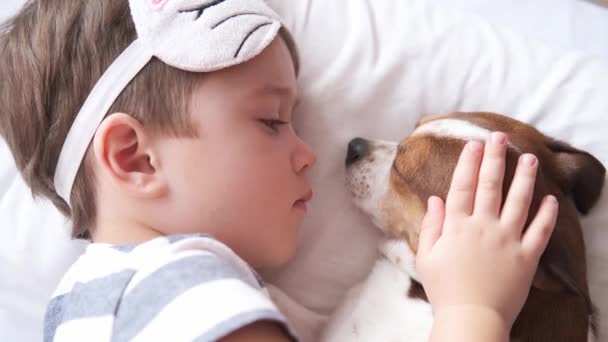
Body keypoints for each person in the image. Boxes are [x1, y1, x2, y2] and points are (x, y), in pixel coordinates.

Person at [0, 0, 556, 341]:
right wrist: (473, 307)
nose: (308, 152)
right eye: (270, 121)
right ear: (135, 158)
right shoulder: (182, 293)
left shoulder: (82, 306)